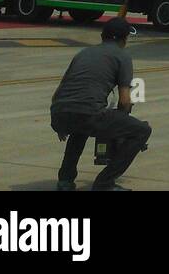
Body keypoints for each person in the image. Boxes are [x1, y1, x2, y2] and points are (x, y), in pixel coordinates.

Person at [50, 18, 151, 191]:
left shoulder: (83, 53)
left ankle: (65, 181)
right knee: (142, 130)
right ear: (123, 39)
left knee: (80, 127)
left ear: (102, 36)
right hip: (88, 113)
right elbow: (125, 101)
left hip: (60, 113)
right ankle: (104, 184)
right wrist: (122, 129)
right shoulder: (122, 56)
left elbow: (58, 93)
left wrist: (60, 124)